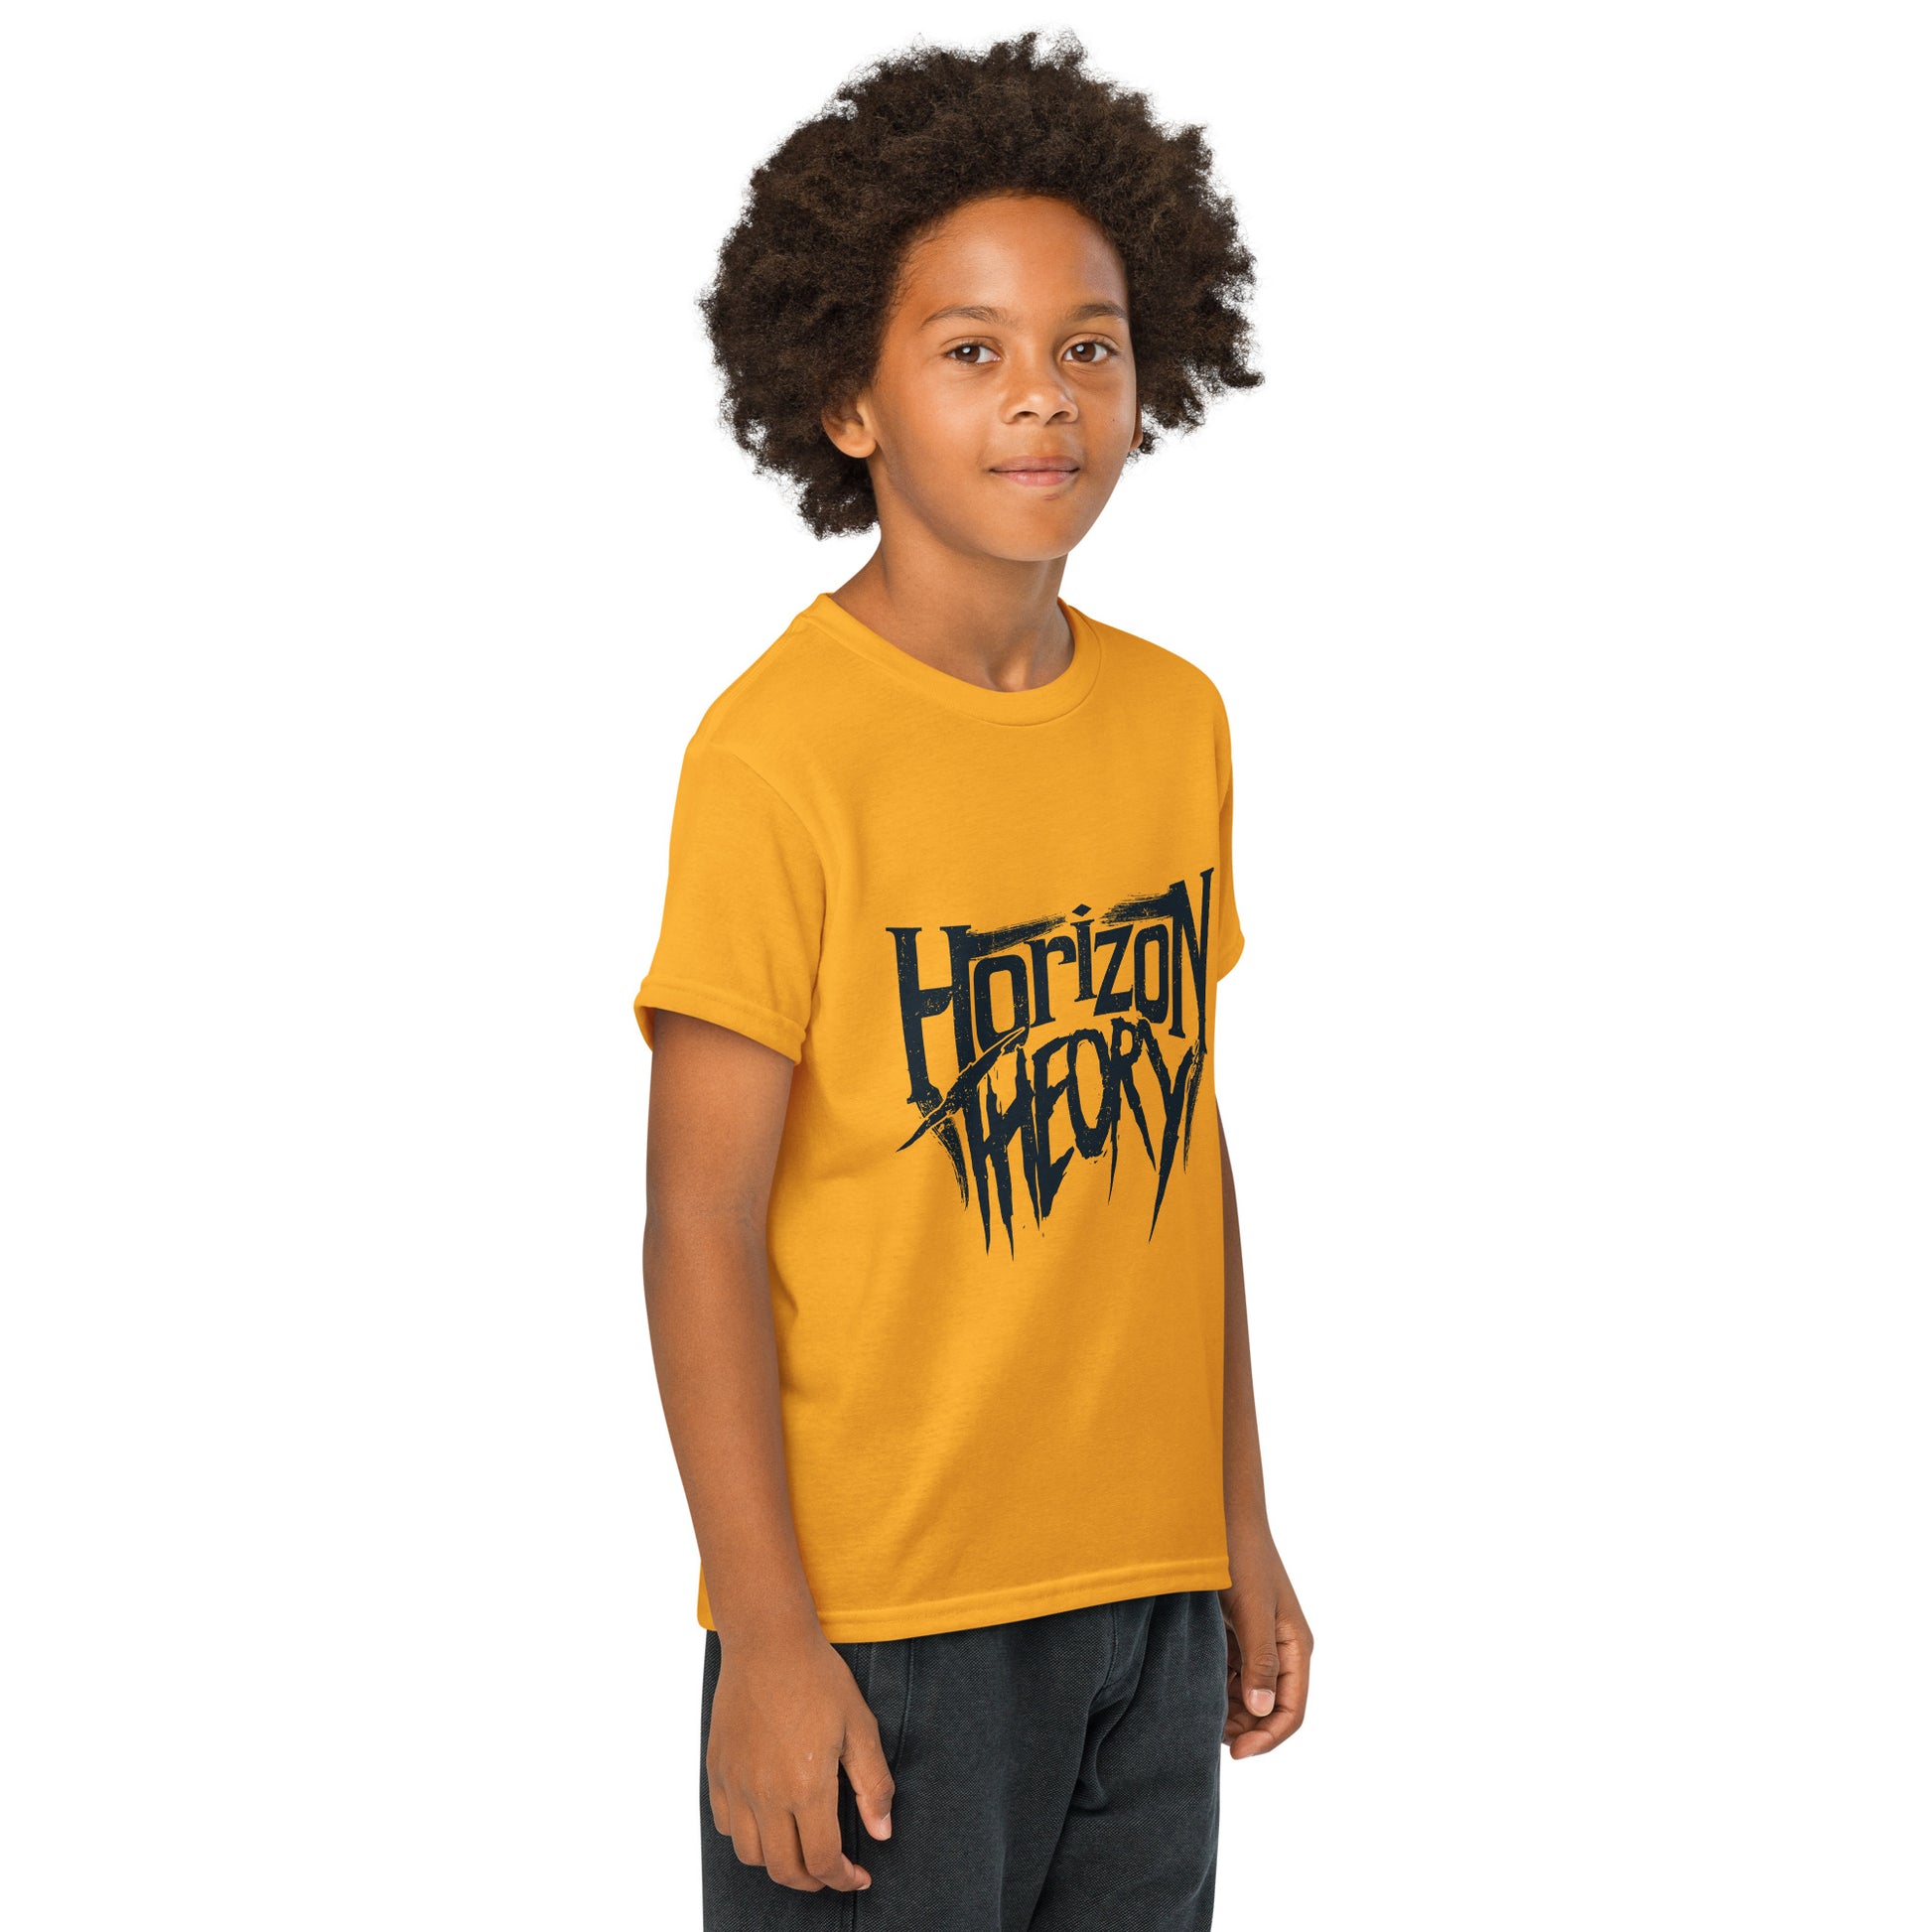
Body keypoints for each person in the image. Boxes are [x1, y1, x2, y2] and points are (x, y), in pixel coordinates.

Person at [634, 30, 1312, 1928]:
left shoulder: (1175, 721)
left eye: (1088, 346)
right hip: (883, 1624)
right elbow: (697, 1220)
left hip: (1145, 1603)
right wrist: (770, 1637)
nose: (1041, 398)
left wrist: (1235, 1523)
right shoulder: (780, 753)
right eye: (970, 350)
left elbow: (1178, 1146)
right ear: (846, 396)